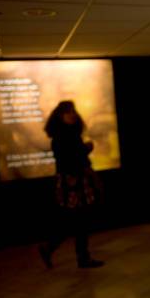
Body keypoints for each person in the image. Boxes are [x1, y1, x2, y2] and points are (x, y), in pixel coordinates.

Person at [39, 100, 104, 269]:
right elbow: (69, 160)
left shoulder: (71, 134)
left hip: (77, 180)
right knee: (78, 221)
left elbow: (76, 157)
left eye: (73, 111)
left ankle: (53, 248)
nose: (72, 114)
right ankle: (80, 257)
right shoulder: (61, 137)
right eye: (68, 112)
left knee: (75, 221)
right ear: (60, 116)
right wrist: (86, 148)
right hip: (72, 182)